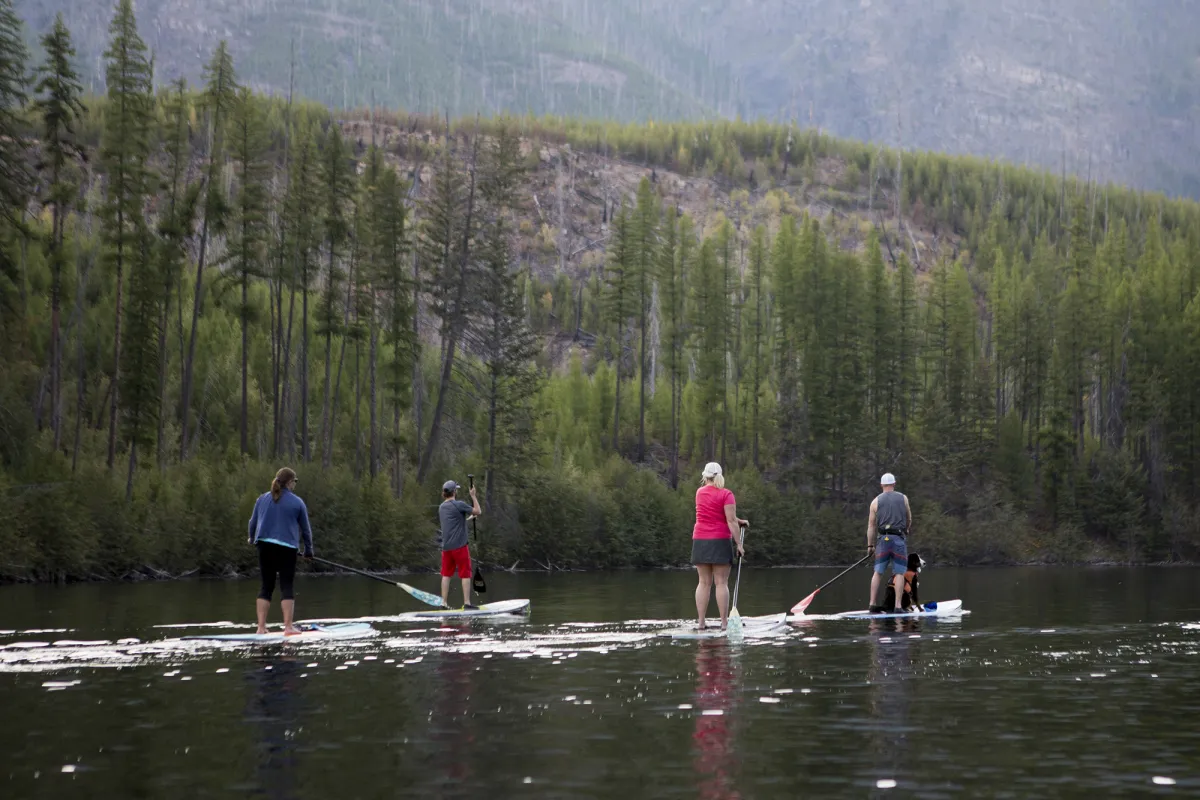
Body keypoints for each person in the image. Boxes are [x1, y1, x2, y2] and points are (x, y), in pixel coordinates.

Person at [247, 467, 314, 635]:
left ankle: (261, 628)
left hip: (264, 545)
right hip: (287, 548)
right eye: (295, 482)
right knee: (286, 585)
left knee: (266, 586)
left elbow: (252, 523)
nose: (295, 485)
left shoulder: (262, 499)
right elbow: (306, 530)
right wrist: (308, 551)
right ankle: (288, 627)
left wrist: (250, 538)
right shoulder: (297, 502)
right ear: (290, 482)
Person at [691, 462, 748, 630]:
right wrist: (739, 544)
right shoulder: (726, 494)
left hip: (700, 540)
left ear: (705, 476)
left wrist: (739, 521)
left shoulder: (699, 493)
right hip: (719, 540)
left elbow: (714, 513)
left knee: (703, 582)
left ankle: (701, 623)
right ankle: (724, 624)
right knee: (721, 582)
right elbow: (729, 519)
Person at [867, 472, 913, 614]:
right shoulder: (903, 498)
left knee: (878, 572)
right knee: (899, 573)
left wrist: (870, 546)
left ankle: (872, 604)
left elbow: (871, 526)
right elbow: (909, 518)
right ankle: (898, 606)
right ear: (894, 484)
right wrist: (907, 529)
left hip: (883, 540)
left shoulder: (875, 502)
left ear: (881, 485)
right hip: (898, 539)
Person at [438, 480, 482, 609]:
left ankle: (444, 603)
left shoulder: (441, 507)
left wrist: (469, 518)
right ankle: (467, 603)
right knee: (465, 574)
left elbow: (456, 521)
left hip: (446, 548)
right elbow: (478, 511)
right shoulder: (460, 505)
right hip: (460, 546)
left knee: (446, 575)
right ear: (454, 492)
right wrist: (473, 495)